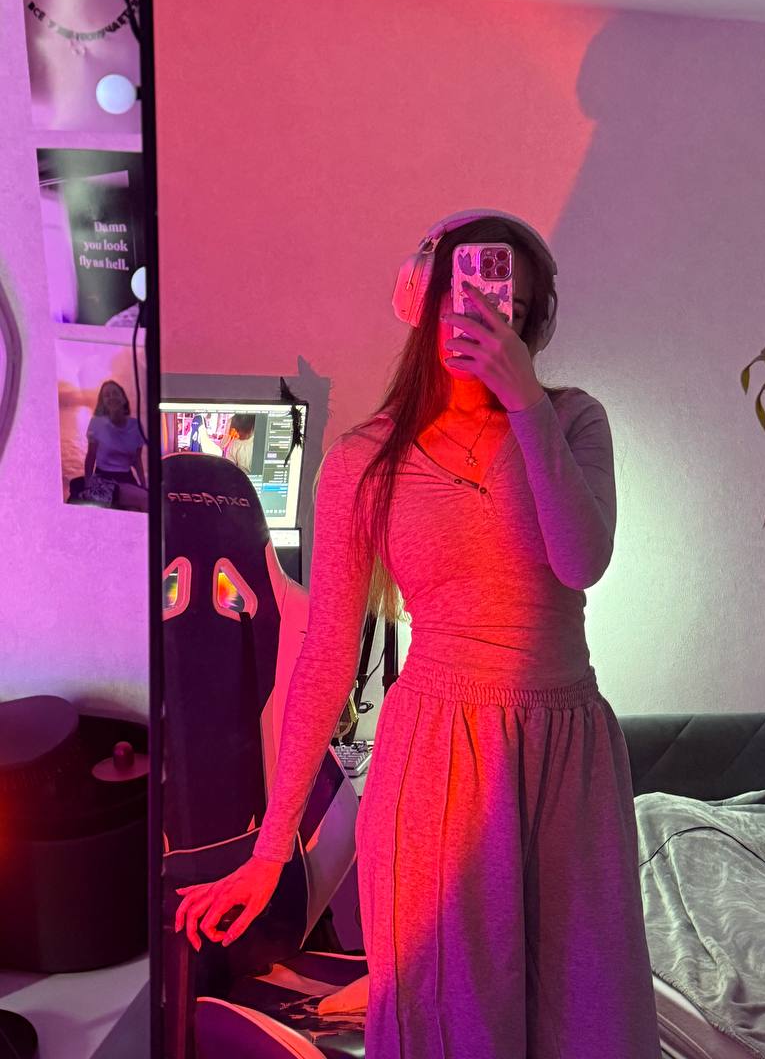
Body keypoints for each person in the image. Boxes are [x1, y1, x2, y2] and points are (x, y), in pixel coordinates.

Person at [174, 217, 660, 1057]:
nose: (489, 320)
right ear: (425, 302)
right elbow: (328, 654)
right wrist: (270, 852)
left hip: (567, 752)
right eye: (468, 298)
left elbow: (582, 562)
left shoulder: (573, 420)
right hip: (436, 763)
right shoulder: (365, 459)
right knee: (454, 1018)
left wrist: (525, 402)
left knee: (587, 1011)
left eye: (513, 309)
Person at [84, 380, 146, 491]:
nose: (111, 397)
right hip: (103, 477)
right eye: (107, 395)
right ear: (103, 402)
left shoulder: (136, 425)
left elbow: (137, 459)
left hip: (126, 477)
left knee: (141, 499)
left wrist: (143, 485)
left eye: (115, 393)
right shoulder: (96, 424)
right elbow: (91, 456)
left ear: (123, 399)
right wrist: (87, 484)